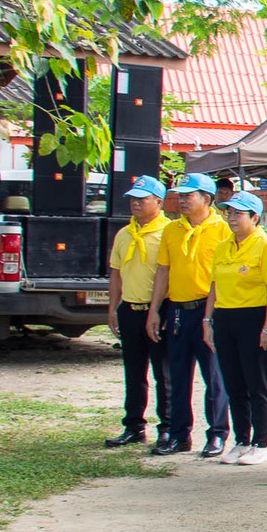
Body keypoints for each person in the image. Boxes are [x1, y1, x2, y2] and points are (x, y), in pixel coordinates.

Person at [146, 172, 234, 458]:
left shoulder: (223, 230)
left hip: (209, 310)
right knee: (178, 375)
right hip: (178, 310)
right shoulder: (172, 230)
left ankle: (217, 433)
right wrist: (154, 310)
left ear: (206, 199)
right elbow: (163, 271)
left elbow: (224, 276)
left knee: (214, 376)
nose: (182, 200)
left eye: (188, 195)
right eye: (180, 196)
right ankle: (179, 434)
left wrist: (214, 315)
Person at [203, 191, 267, 465]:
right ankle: (242, 440)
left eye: (238, 213)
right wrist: (207, 321)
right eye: (229, 212)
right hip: (225, 316)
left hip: (253, 317)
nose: (232, 218)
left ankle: (262, 443)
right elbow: (214, 286)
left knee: (256, 383)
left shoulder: (265, 247)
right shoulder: (223, 246)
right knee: (233, 382)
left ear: (255, 217)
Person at [105, 175, 170, 450]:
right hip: (130, 309)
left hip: (159, 310)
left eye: (142, 199)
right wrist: (113, 307)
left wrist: (157, 310)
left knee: (163, 373)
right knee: (133, 371)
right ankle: (134, 426)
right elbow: (116, 273)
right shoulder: (125, 234)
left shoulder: (169, 232)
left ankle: (168, 427)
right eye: (133, 198)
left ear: (159, 202)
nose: (135, 203)